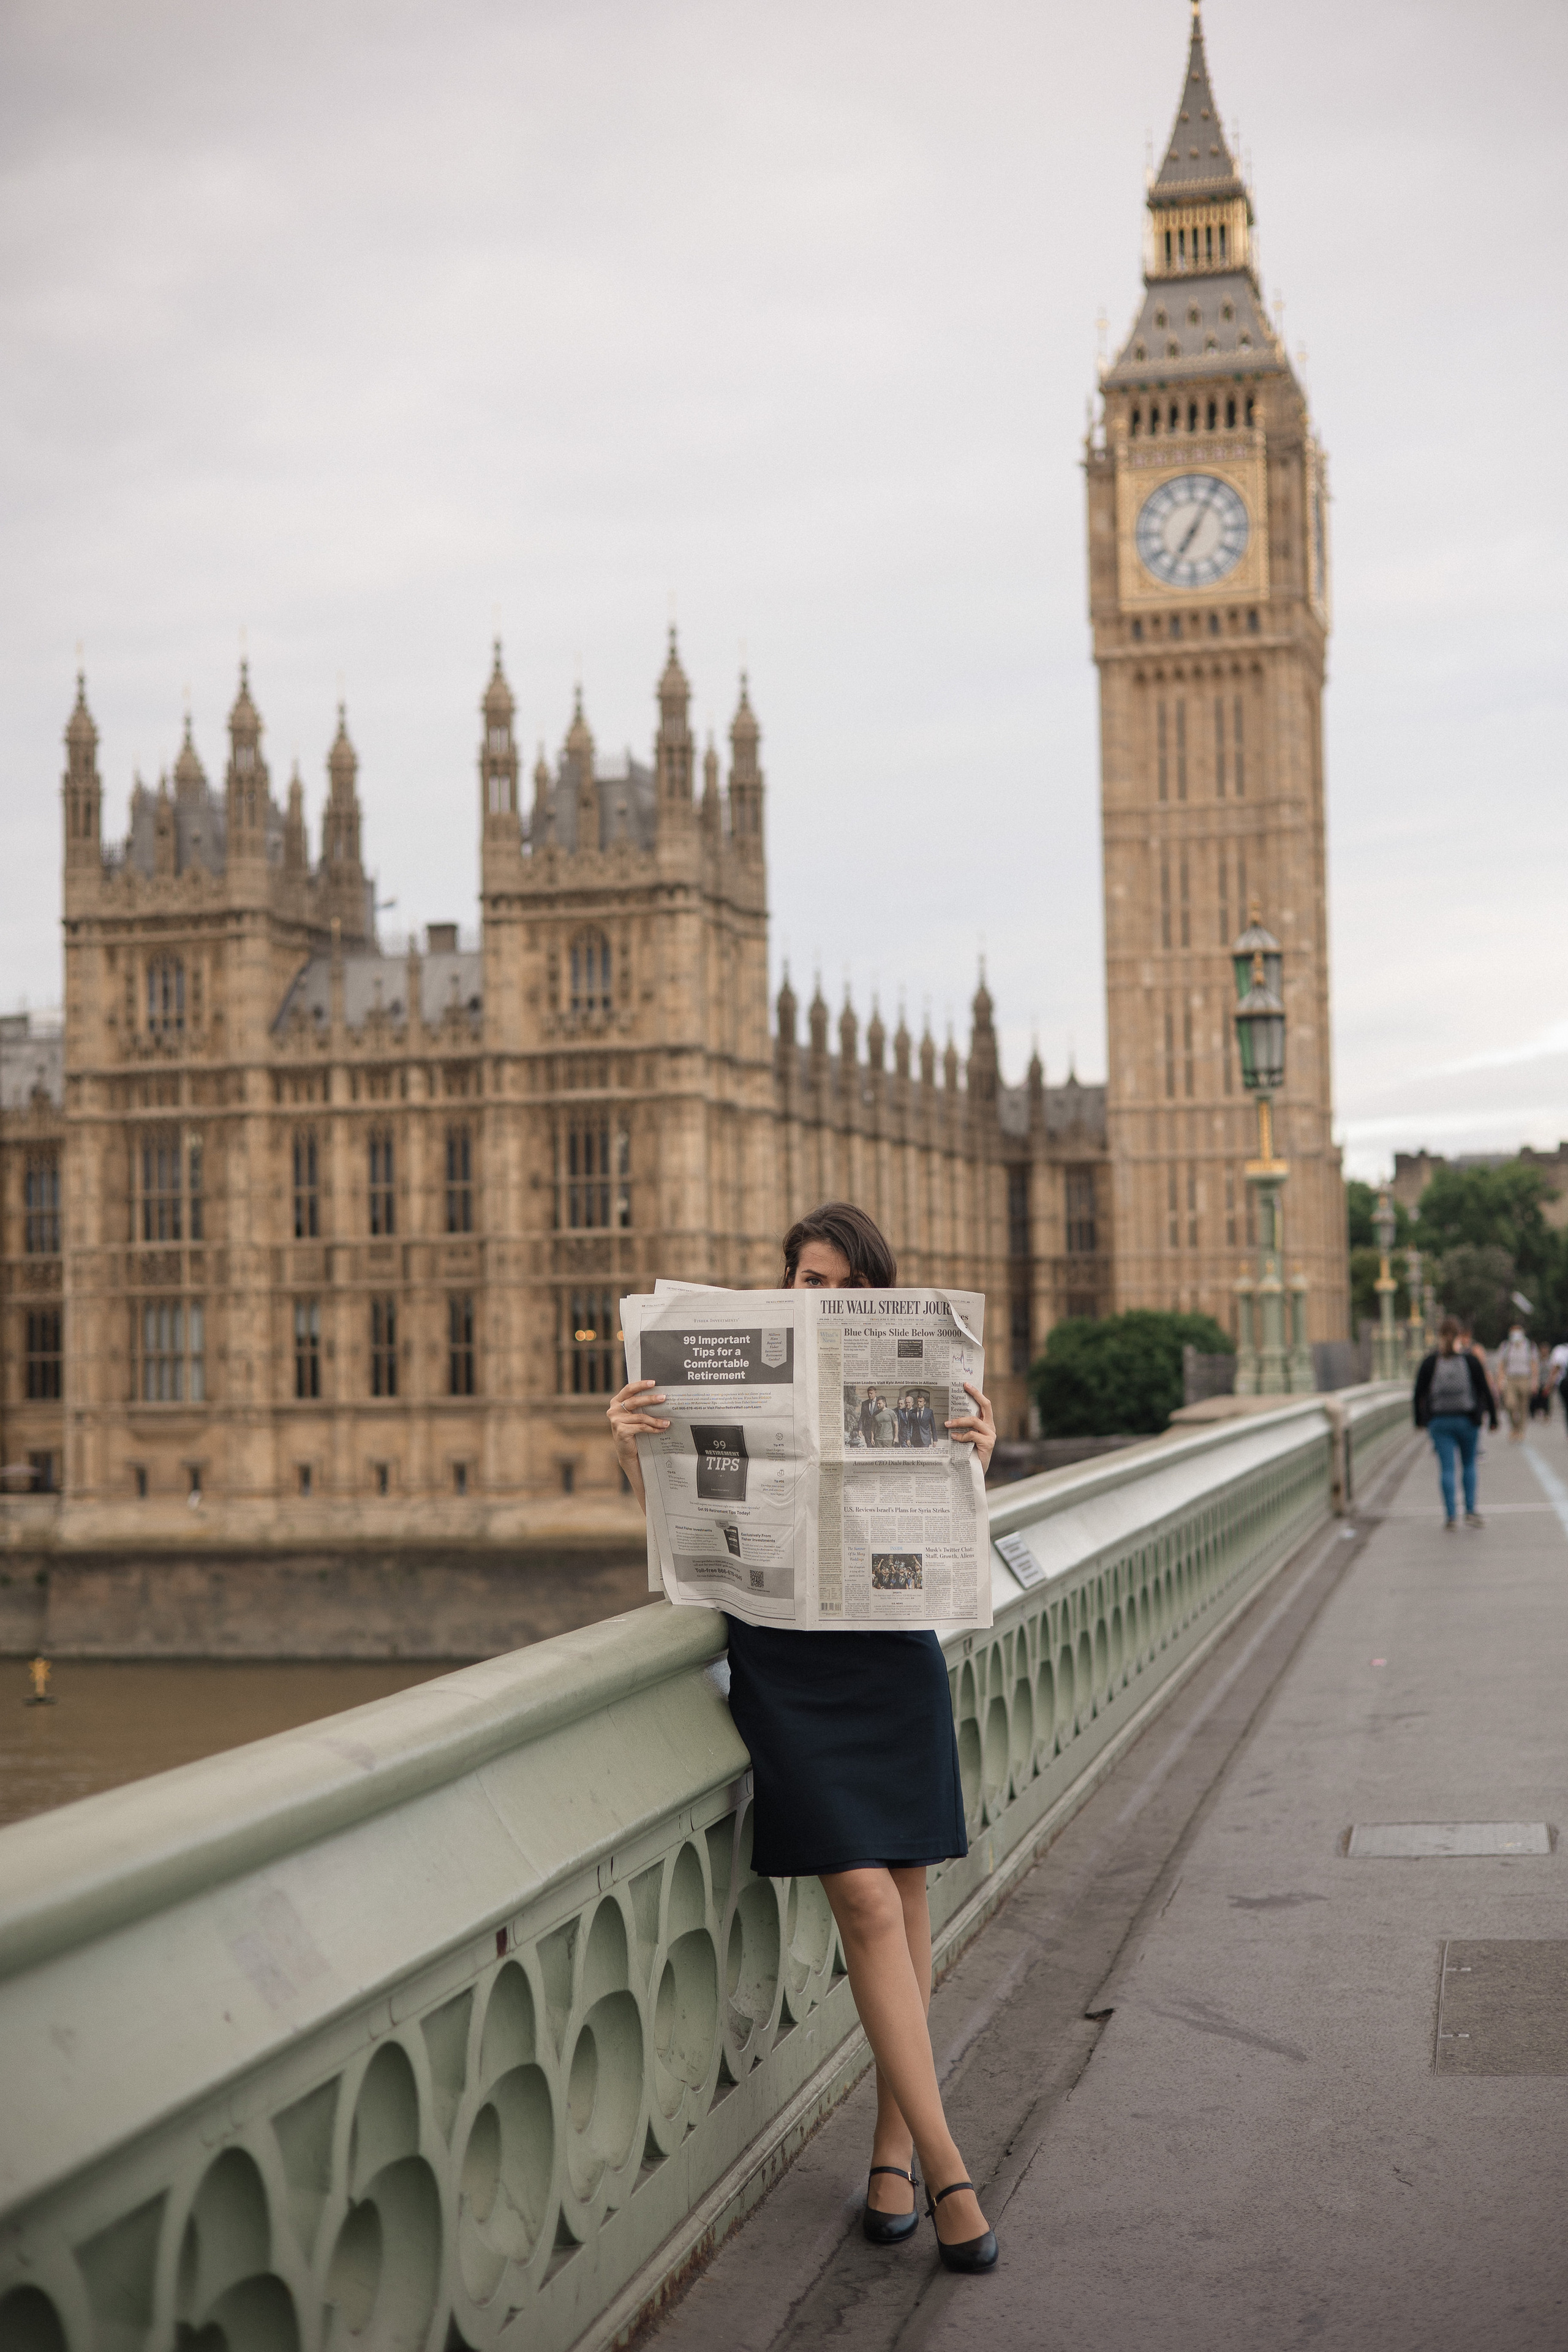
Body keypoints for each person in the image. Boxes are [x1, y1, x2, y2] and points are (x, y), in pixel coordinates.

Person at [607, 1200, 1000, 2273]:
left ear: (869, 1297)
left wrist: (977, 1450)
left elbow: (939, 1527)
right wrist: (636, 1440)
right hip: (784, 1668)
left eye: (826, 1283)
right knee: (869, 1900)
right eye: (795, 1278)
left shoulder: (903, 1381)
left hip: (888, 1659)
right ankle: (950, 2165)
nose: (803, 1295)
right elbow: (685, 1528)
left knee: (909, 1896)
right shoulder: (741, 1377)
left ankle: (889, 2150)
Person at [1414, 1314, 1498, 1529]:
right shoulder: (1470, 1360)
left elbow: (1419, 1393)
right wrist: (1492, 1418)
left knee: (1447, 1469)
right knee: (1469, 1464)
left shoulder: (1431, 1361)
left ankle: (1451, 1516)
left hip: (1440, 1422)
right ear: (1460, 1334)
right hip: (1467, 1420)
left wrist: (1419, 1420)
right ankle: (1470, 1511)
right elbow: (1484, 1389)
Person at [1496, 1320, 1538, 1442]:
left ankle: (1520, 1431)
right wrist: (1500, 1380)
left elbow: (1534, 1365)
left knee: (1523, 1407)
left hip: (1525, 1378)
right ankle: (1514, 1427)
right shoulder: (1506, 1346)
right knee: (1510, 1404)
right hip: (1511, 1378)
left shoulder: (1530, 1346)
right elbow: (1501, 1364)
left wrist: (1535, 1382)